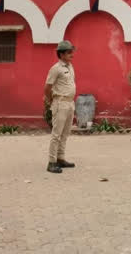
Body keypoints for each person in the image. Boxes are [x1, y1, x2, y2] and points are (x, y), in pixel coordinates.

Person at [44, 40, 77, 174]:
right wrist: (52, 100)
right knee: (56, 134)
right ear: (61, 54)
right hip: (60, 103)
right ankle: (51, 162)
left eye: (71, 52)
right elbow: (47, 87)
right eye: (69, 52)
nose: (72, 54)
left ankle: (60, 158)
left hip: (70, 103)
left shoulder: (70, 66)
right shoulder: (56, 68)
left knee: (65, 132)